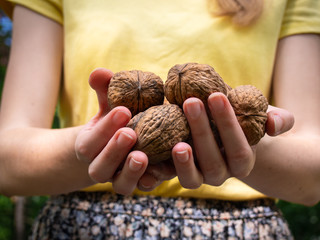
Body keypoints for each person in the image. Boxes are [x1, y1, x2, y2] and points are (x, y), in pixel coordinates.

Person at [0, 0, 319, 239]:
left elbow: (312, 179)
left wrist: (239, 142)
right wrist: (95, 145)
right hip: (82, 226)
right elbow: (6, 163)